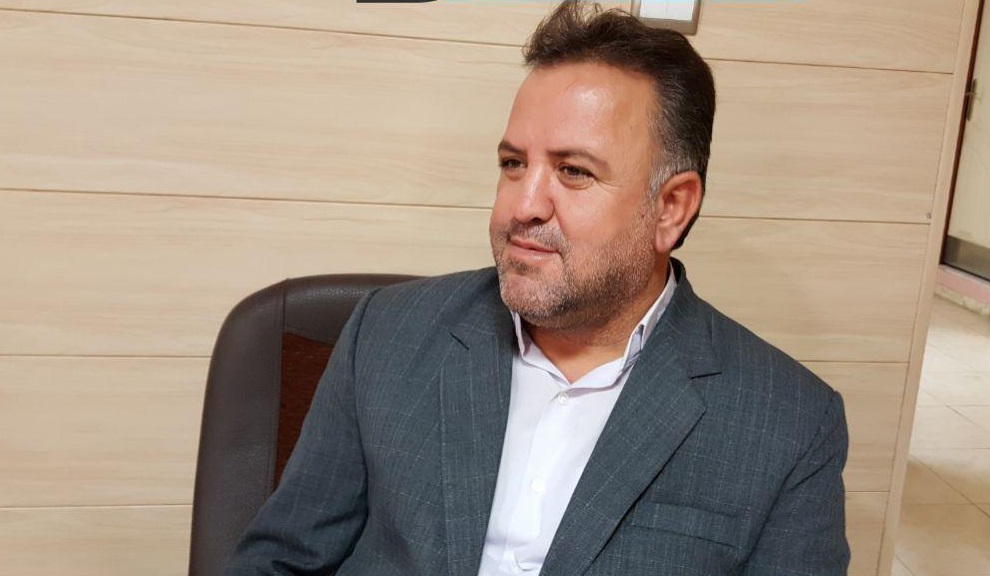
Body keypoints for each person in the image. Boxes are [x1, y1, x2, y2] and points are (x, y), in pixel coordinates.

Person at [225, 1, 850, 574]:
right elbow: (278, 563)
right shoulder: (385, 334)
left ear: (671, 208)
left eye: (574, 172)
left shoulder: (790, 423)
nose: (522, 206)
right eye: (513, 164)